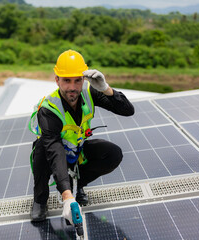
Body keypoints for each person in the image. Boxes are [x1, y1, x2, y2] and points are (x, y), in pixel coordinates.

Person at [29, 49, 134, 224]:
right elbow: (55, 152)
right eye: (66, 81)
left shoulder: (89, 93)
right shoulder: (48, 109)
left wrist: (106, 89)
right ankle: (40, 200)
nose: (72, 87)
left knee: (113, 153)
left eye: (78, 80)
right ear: (57, 80)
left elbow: (128, 110)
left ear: (84, 79)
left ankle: (79, 185)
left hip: (76, 149)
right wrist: (67, 197)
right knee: (41, 150)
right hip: (51, 153)